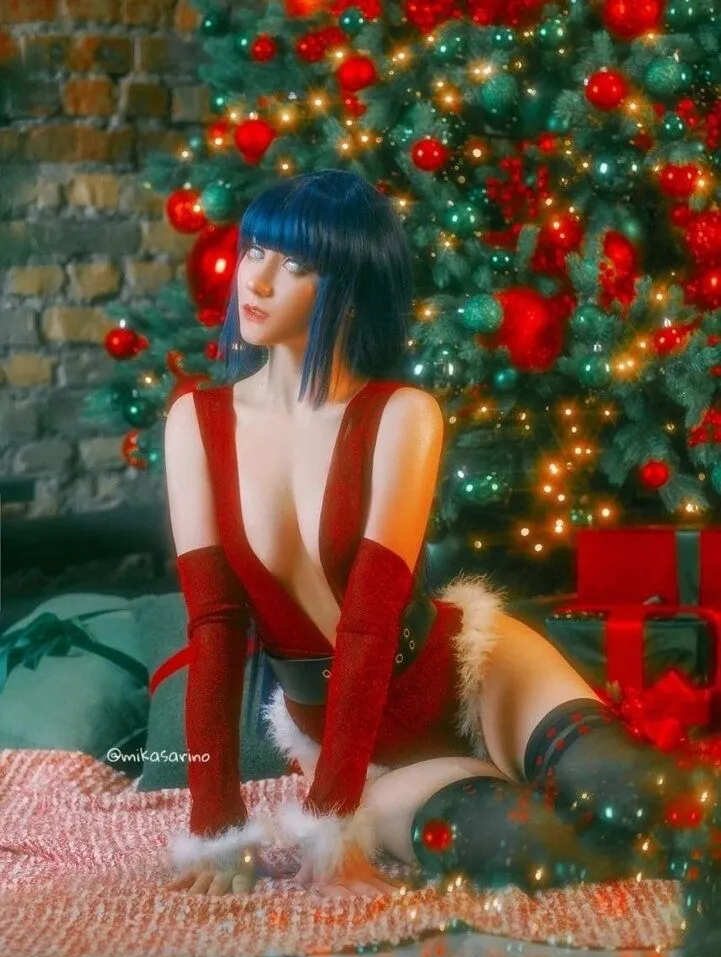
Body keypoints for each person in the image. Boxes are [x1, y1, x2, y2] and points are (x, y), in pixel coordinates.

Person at [162, 168, 717, 908]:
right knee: (535, 847)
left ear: (347, 289)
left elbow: (369, 622)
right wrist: (218, 828)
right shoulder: (196, 424)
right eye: (256, 250)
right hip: (367, 754)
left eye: (296, 265)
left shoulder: (401, 414)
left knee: (641, 798)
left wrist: (325, 819)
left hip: (471, 672)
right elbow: (216, 628)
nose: (256, 280)